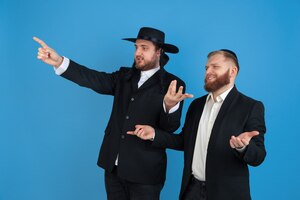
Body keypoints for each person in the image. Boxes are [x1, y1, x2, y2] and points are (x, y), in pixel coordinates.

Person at [33, 27, 193, 200]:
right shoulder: (124, 76)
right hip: (113, 168)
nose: (138, 52)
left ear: (159, 52)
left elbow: (169, 128)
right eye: (136, 47)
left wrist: (169, 105)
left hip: (145, 173)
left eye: (144, 48)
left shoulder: (172, 83)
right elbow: (93, 79)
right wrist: (59, 62)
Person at [128, 49, 267, 200]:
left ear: (232, 71)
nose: (208, 71)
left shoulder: (250, 106)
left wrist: (243, 147)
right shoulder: (197, 105)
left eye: (215, 67)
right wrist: (154, 134)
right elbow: (184, 142)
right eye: (206, 68)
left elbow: (258, 157)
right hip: (192, 190)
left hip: (227, 193)